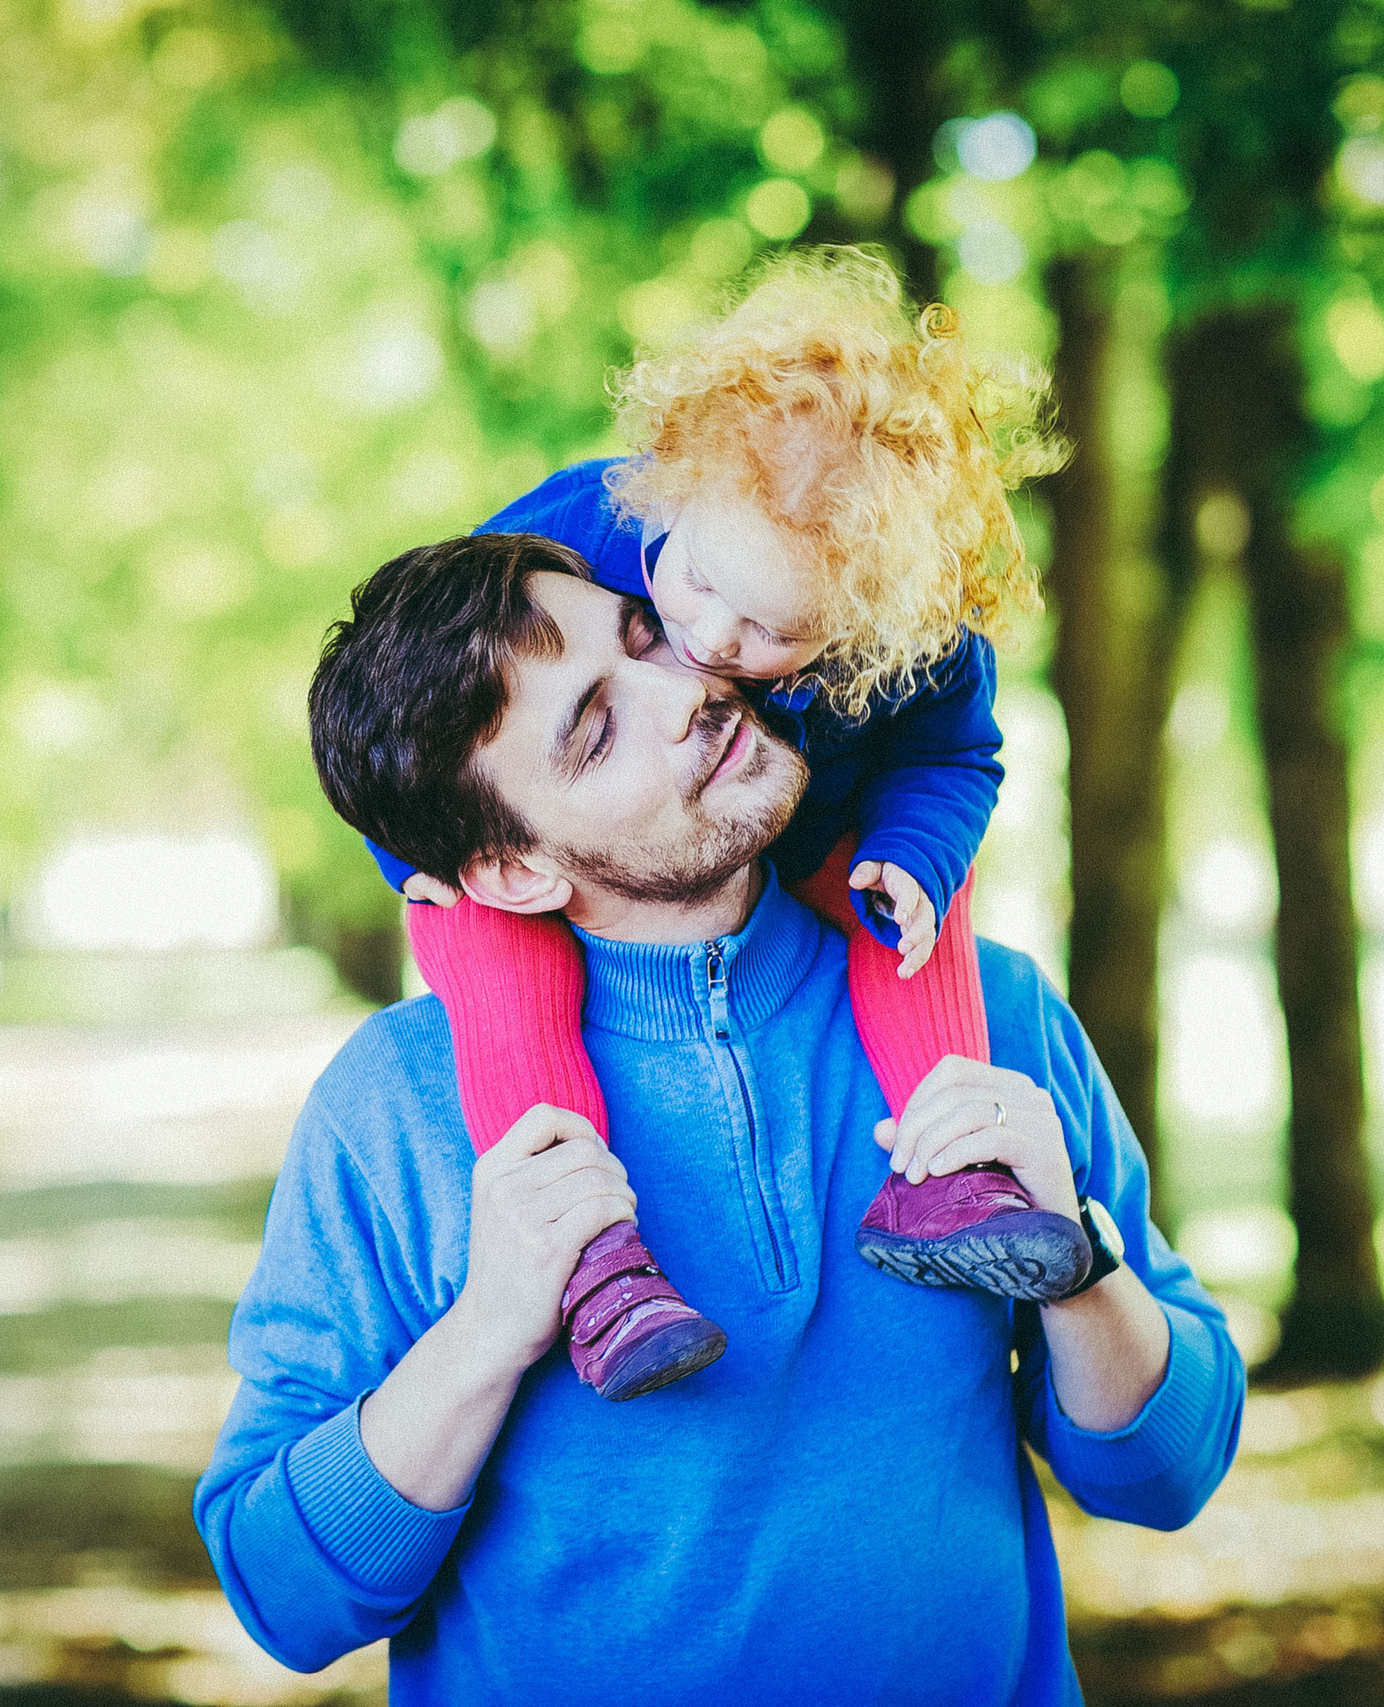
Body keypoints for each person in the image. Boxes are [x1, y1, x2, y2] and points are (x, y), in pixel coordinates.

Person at [194, 535, 1246, 1705]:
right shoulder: (391, 1103)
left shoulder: (984, 1009)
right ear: (511, 872)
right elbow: (284, 1599)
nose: (686, 693)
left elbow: (1169, 1476)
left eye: (644, 636)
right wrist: (488, 1328)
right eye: (594, 729)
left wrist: (1080, 1261)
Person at [363, 248, 1079, 1401]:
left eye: (773, 631)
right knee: (495, 973)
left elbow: (953, 757)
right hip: (530, 864)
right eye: (691, 585)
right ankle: (590, 1263)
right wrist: (423, 860)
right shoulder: (568, 532)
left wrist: (915, 853)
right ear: (672, 479)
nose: (712, 645)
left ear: (873, 622)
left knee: (914, 917)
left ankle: (953, 1170)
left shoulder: (921, 642)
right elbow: (408, 713)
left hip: (809, 832)